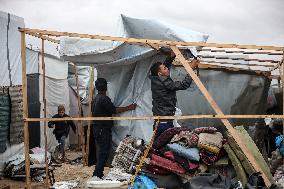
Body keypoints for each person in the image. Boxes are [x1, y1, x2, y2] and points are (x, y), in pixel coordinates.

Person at [92, 78, 137, 178]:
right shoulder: (104, 99)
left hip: (97, 129)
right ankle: (97, 174)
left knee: (101, 151)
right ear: (106, 87)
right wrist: (129, 107)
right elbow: (114, 110)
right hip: (102, 130)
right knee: (103, 152)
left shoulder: (96, 98)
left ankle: (98, 173)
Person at [150, 49, 199, 139]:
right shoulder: (166, 83)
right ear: (160, 74)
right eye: (165, 69)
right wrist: (191, 68)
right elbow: (184, 85)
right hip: (165, 122)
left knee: (156, 145)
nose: (168, 69)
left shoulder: (155, 79)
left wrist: (171, 56)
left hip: (159, 121)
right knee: (165, 145)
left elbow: (164, 68)